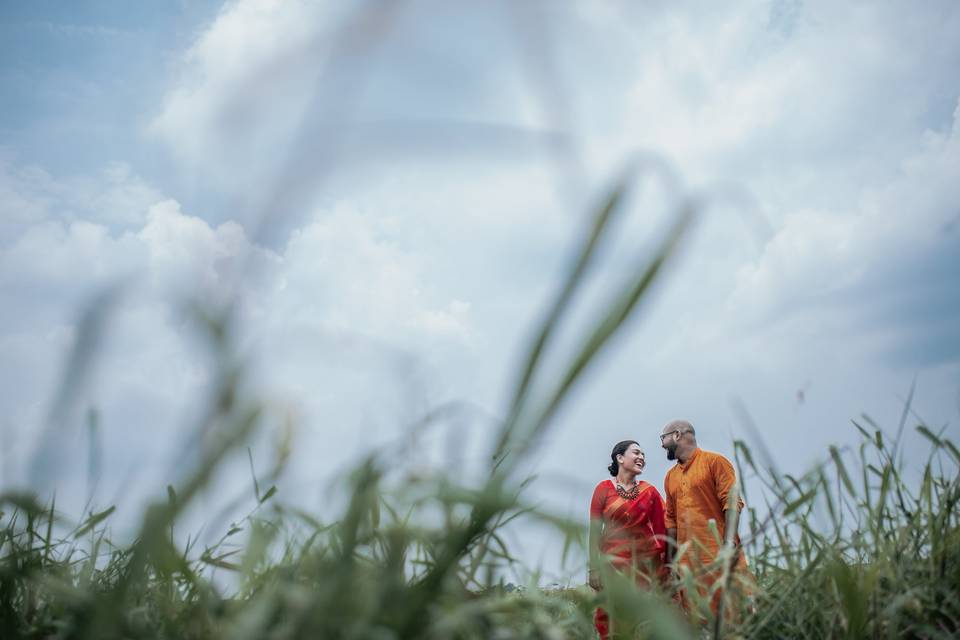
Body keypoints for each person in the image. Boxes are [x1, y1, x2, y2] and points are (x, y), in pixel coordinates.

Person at [659, 419, 751, 619]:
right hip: (688, 567)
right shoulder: (670, 476)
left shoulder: (715, 462)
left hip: (719, 557)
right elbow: (671, 520)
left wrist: (727, 544)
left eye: (663, 438)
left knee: (732, 618)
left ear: (677, 435)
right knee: (698, 624)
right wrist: (670, 563)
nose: (661, 444)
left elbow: (733, 502)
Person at [589, 440, 667, 640]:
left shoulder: (650, 492)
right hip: (611, 565)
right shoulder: (603, 489)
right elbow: (594, 532)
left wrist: (666, 568)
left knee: (641, 619)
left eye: (643, 454)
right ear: (620, 458)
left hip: (643, 567)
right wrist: (594, 569)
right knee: (610, 617)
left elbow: (663, 530)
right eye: (636, 453)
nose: (642, 457)